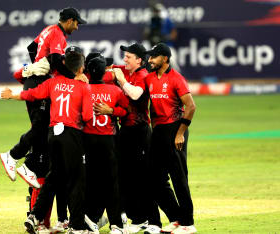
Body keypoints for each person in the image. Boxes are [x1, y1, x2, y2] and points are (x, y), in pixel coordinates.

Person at [1, 49, 93, 234]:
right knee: (76, 181)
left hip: (53, 135)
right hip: (71, 135)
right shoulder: (83, 87)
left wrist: (12, 95)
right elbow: (88, 116)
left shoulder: (53, 82)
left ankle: (34, 216)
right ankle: (76, 226)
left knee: (53, 178)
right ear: (81, 68)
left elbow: (32, 94)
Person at [0, 7, 87, 189]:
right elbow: (56, 59)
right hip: (38, 82)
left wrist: (37, 64)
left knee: (43, 127)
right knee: (41, 127)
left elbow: (32, 47)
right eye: (77, 23)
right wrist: (72, 77)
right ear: (70, 21)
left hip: (35, 79)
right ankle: (13, 156)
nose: (77, 27)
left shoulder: (48, 29)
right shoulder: (58, 34)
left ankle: (29, 167)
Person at [104, 43, 162, 234]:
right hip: (125, 131)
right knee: (126, 177)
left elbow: (136, 95)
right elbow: (105, 73)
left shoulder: (143, 75)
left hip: (141, 131)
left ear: (139, 60)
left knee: (144, 177)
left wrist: (121, 80)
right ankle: (137, 218)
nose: (124, 59)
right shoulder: (124, 71)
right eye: (125, 56)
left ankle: (154, 221)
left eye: (128, 56)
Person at [144, 43, 197, 234]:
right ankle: (176, 218)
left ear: (165, 59)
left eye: (153, 57)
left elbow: (191, 107)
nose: (149, 60)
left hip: (176, 130)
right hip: (158, 132)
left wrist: (181, 133)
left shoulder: (176, 79)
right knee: (154, 178)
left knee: (179, 178)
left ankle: (188, 224)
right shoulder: (149, 78)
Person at [82, 56, 130, 234]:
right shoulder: (114, 91)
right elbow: (127, 111)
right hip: (108, 140)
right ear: (105, 72)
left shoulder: (82, 89)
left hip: (87, 141)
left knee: (89, 183)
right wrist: (112, 111)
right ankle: (116, 225)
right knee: (111, 183)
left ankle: (88, 222)